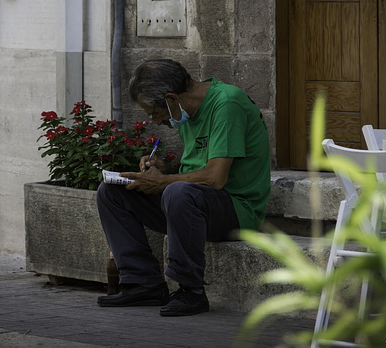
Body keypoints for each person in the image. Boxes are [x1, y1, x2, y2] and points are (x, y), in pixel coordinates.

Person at [96, 59, 271, 316]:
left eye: (154, 113)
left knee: (177, 192)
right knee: (112, 192)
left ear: (171, 98)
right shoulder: (185, 111)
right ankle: (143, 283)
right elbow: (199, 162)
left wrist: (162, 182)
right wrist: (165, 168)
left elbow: (215, 178)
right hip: (195, 205)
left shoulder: (227, 104)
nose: (155, 122)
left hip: (237, 210)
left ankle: (192, 291)